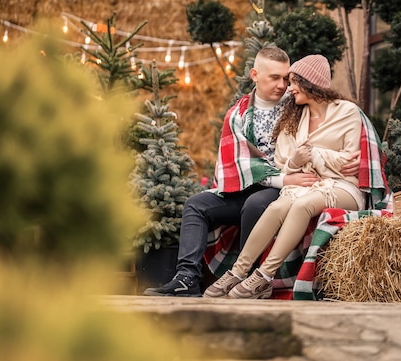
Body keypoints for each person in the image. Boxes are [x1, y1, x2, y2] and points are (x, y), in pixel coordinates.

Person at [143, 47, 359, 297]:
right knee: (196, 204)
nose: (283, 86)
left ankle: (248, 279)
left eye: (286, 79)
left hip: (286, 188)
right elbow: (238, 160)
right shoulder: (240, 113)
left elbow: (330, 125)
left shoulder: (296, 105)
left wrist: (354, 160)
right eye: (274, 78)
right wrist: (284, 176)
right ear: (255, 75)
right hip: (251, 183)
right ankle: (186, 278)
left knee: (257, 204)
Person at [203, 54, 366, 299]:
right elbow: (283, 163)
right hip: (309, 184)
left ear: (310, 82)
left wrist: (315, 154)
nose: (288, 89)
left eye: (293, 82)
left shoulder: (347, 113)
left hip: (343, 188)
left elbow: (350, 162)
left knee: (302, 205)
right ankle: (237, 272)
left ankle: (264, 276)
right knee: (277, 207)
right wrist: (298, 161)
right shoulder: (296, 117)